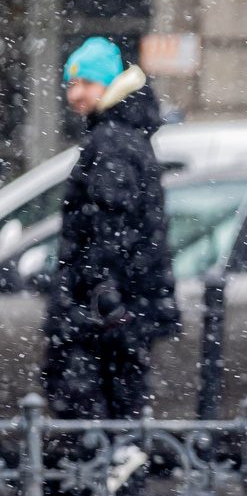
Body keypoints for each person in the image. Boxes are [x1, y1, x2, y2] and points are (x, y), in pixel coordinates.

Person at [43, 37, 179, 421]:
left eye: (85, 83)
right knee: (121, 416)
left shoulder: (112, 143)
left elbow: (111, 228)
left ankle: (111, 472)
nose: (75, 94)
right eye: (71, 84)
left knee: (92, 422)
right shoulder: (122, 136)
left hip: (102, 318)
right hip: (121, 312)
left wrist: (100, 300)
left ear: (108, 84)